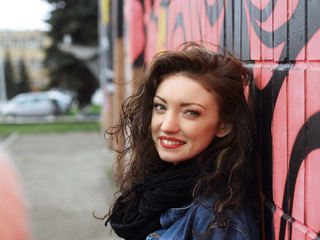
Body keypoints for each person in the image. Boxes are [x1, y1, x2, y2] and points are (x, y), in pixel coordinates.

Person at [105, 42, 262, 240]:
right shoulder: (160, 188)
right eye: (160, 107)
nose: (167, 126)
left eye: (190, 112)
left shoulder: (216, 221)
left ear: (224, 125)